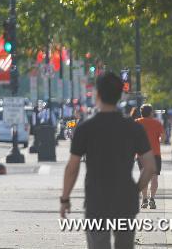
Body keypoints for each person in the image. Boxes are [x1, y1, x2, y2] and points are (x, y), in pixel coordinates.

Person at [60, 72, 154, 249]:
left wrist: (65, 199)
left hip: (97, 201)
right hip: (125, 200)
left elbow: (72, 168)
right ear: (120, 95)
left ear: (98, 95)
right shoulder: (134, 128)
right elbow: (150, 167)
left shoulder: (85, 128)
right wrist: (135, 190)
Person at [135, 104, 164, 209]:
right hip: (155, 153)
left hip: (142, 154)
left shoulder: (137, 122)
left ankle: (144, 200)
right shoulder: (157, 123)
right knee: (154, 176)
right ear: (151, 112)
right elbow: (163, 138)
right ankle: (152, 199)